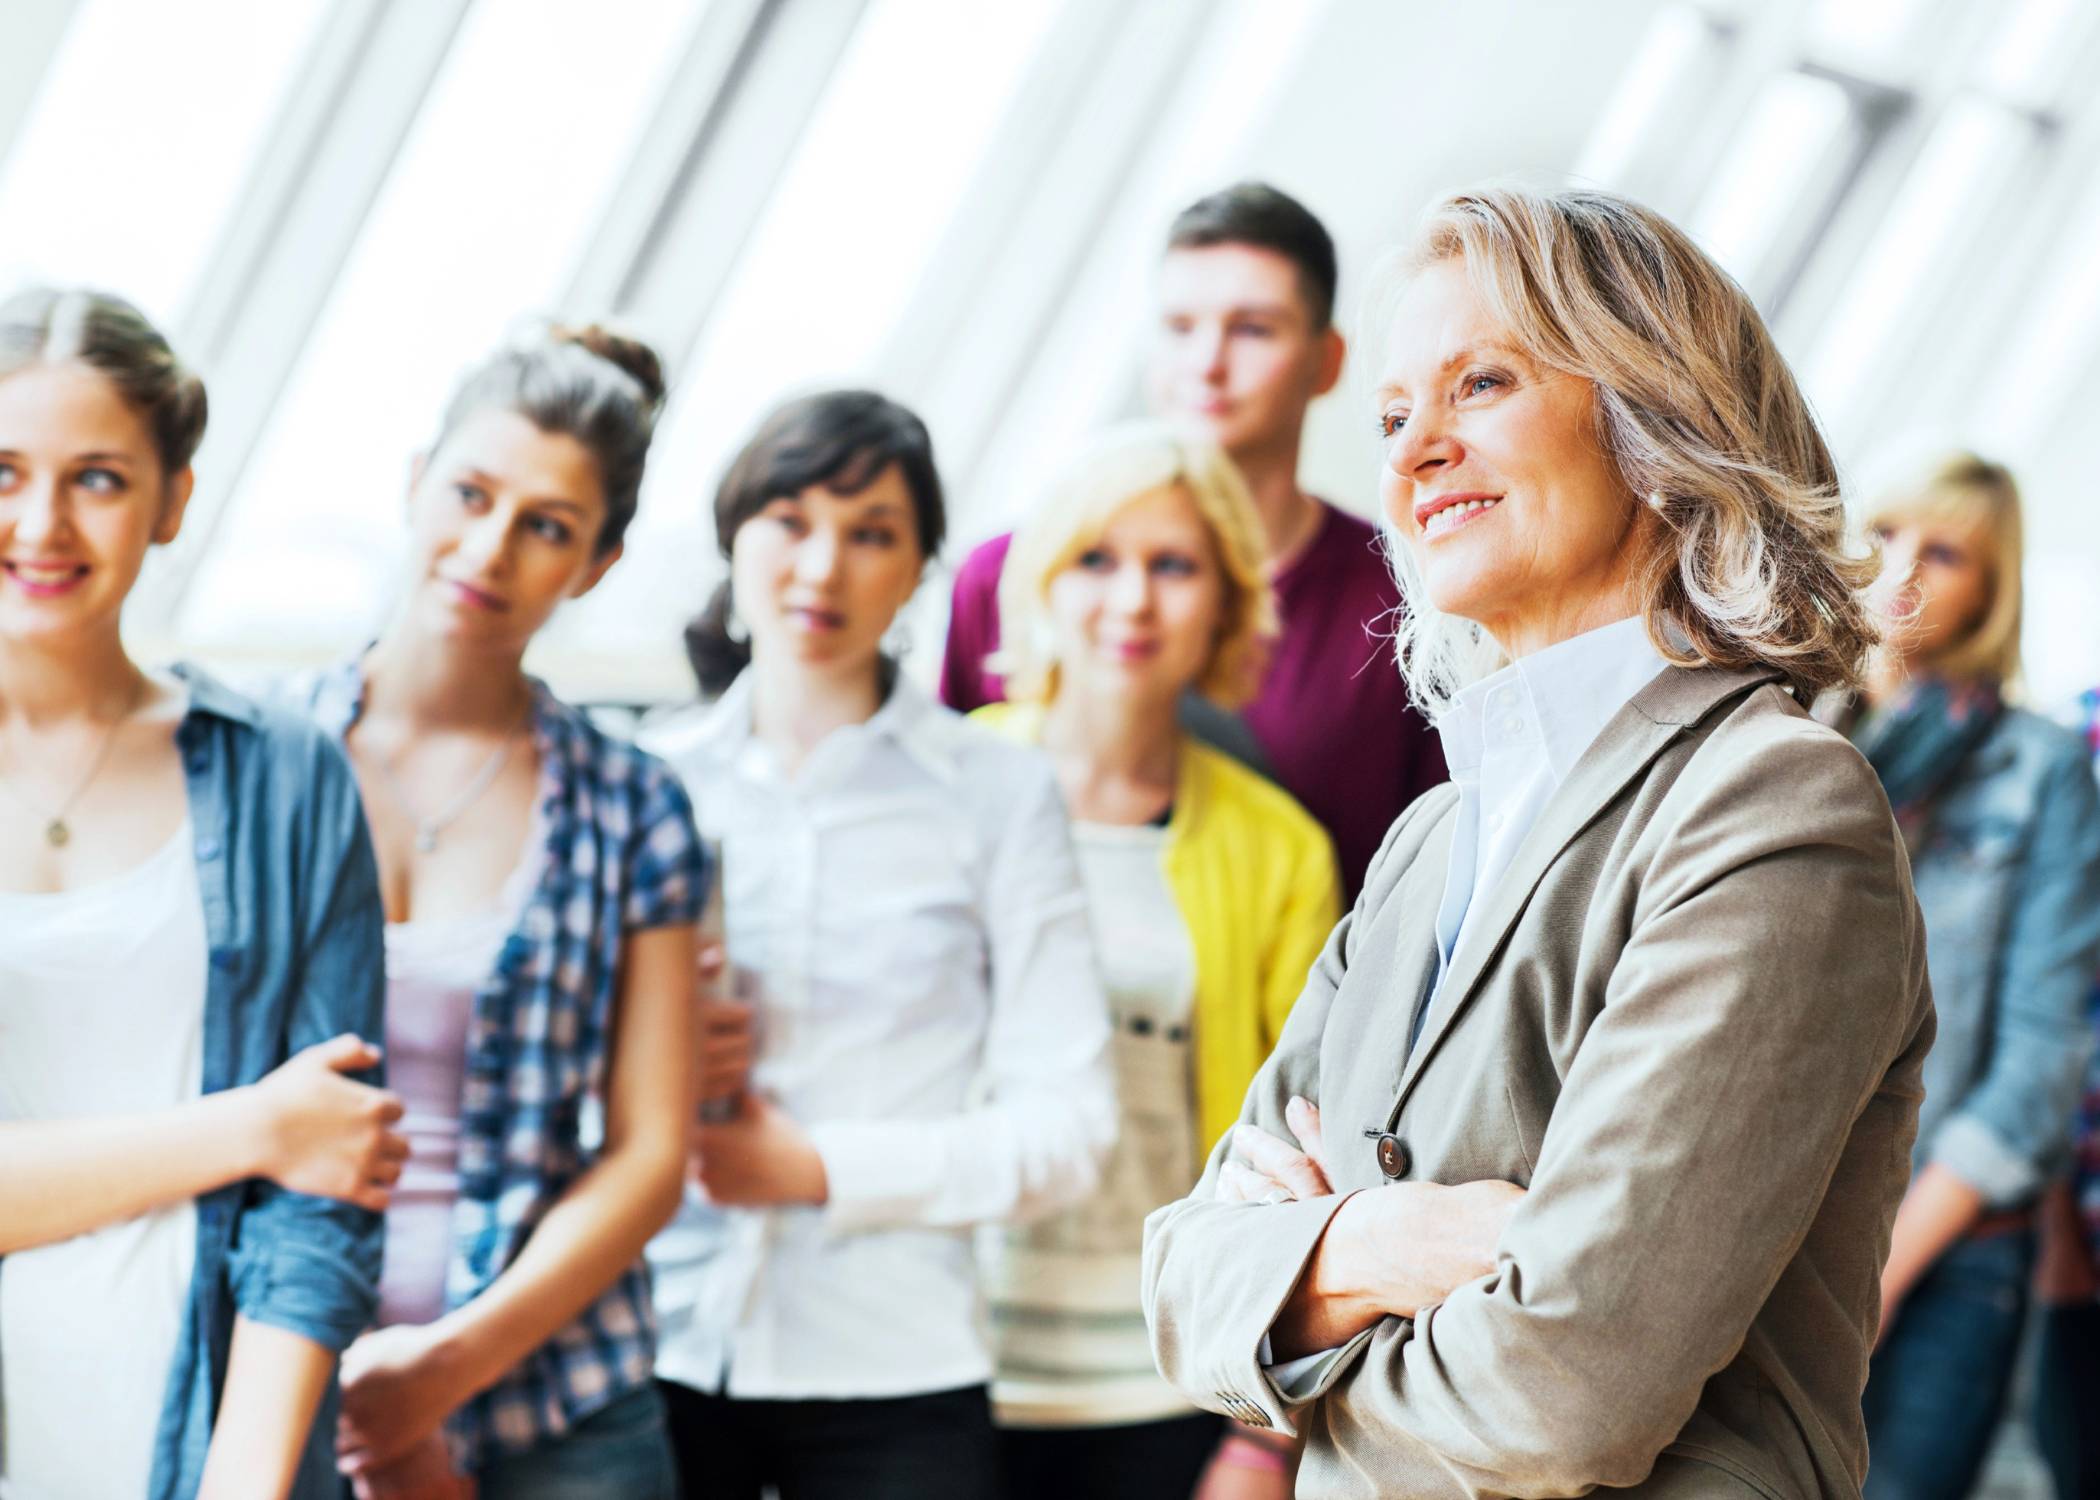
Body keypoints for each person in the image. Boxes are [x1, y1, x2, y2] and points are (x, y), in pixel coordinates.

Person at [1142, 186, 1933, 1499]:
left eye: (1481, 385)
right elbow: (1175, 1288)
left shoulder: (1775, 806)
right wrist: (1391, 1245)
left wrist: (1294, 1299)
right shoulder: (1429, 837)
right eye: (1395, 416)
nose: (1411, 455)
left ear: (1655, 411)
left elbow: (1563, 1399)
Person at [644, 390, 1115, 1500]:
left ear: (917, 573)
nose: (822, 568)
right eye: (790, 521)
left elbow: (1071, 1130)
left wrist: (813, 1171)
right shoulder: (647, 783)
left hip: (897, 1371)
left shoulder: (998, 793)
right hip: (652, 1348)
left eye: (871, 535)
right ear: (734, 531)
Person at [291, 326, 706, 1498]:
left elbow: (649, 1152)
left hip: (557, 1402)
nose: (488, 549)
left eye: (548, 527)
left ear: (600, 563)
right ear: (413, 479)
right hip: (279, 1380)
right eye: (469, 495)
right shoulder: (259, 759)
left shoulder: (635, 804)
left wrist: (444, 1367)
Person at [0, 287, 397, 1500]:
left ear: (174, 498)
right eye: (3, 471)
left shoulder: (286, 775)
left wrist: (242, 1488)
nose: (42, 524)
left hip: (203, 1444)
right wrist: (248, 1127)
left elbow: (322, 1196)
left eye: (100, 478)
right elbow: (291, 1134)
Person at [972, 424, 1340, 1500]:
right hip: (939, 1361)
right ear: (1044, 579)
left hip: (1166, 1379)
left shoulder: (1279, 848)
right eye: (1098, 559)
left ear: (1225, 601)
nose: (1132, 601)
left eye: (1173, 566)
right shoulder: (951, 782)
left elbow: (1306, 1148)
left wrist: (1266, 1436)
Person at [940, 182, 1444, 899]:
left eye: (1253, 329)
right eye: (1179, 326)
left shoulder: (1409, 602)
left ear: (1327, 362)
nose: (1207, 363)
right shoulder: (1009, 578)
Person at [1829, 453, 2100, 1500]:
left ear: (1993, 588)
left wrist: (1884, 1272)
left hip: (1944, 1257)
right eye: (1884, 536)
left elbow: (2038, 1072)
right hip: (1782, 1228)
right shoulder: (1795, 735)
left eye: (1943, 552)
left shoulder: (2041, 769)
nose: (1901, 571)